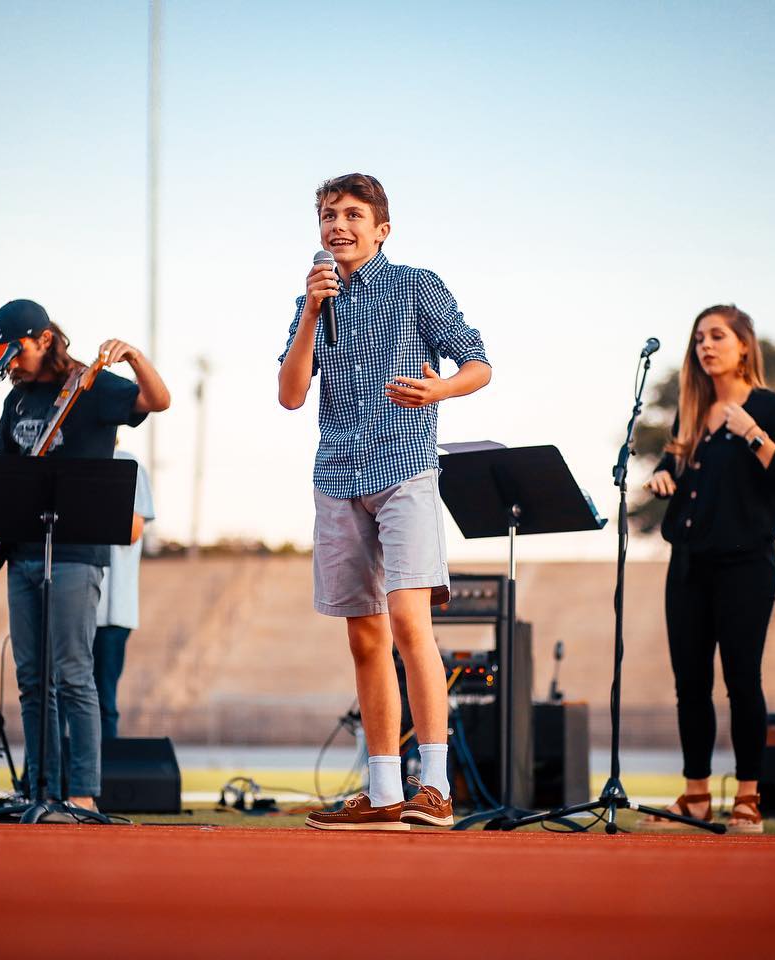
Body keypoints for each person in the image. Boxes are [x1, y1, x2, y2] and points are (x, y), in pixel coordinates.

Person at [278, 173, 491, 830]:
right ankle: (383, 791)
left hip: (405, 470)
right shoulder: (313, 299)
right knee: (365, 637)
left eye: (351, 214)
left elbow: (478, 362)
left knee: (407, 623)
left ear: (381, 229)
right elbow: (290, 394)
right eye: (327, 215)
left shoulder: (416, 285)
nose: (336, 225)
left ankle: (436, 787)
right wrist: (311, 313)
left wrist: (441, 390)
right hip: (337, 476)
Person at [0, 299, 170, 812]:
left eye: (17, 351)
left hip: (75, 554)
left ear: (44, 339)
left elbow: (159, 401)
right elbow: (1, 472)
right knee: (31, 681)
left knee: (73, 675)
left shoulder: (91, 386)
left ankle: (83, 794)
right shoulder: (15, 401)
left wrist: (134, 357)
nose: (10, 363)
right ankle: (40, 790)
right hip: (23, 554)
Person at [643, 305, 775, 833]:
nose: (706, 346)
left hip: (745, 566)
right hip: (688, 564)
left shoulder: (770, 408)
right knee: (690, 684)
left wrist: (754, 434)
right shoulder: (692, 411)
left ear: (743, 346)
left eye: (717, 336)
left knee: (741, 681)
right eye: (699, 338)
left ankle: (748, 796)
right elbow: (673, 467)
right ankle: (695, 796)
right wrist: (661, 477)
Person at [92, 441, 154, 742]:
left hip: (112, 612)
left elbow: (133, 530)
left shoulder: (129, 464)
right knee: (59, 699)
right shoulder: (72, 457)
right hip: (73, 605)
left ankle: (103, 769)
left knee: (104, 700)